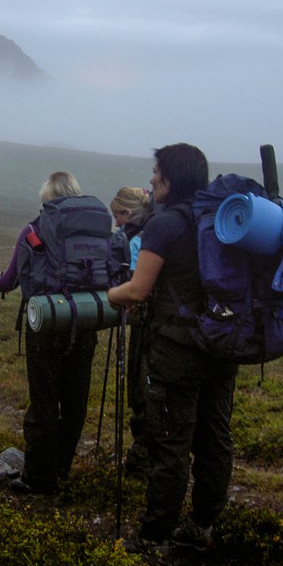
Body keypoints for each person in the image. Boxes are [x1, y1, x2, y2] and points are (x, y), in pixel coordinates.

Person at [108, 144, 238, 551]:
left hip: (176, 351)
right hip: (222, 345)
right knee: (215, 437)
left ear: (171, 178)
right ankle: (201, 527)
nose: (150, 179)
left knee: (169, 441)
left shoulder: (166, 225)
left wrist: (107, 294)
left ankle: (153, 536)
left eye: (155, 171)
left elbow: (138, 290)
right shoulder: (222, 221)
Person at [0, 171, 99, 495]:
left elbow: (9, 281)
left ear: (46, 199)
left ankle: (37, 476)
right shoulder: (93, 231)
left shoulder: (33, 230)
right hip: (86, 322)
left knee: (44, 400)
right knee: (75, 400)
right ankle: (61, 468)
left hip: (46, 324)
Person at [108, 186, 154, 478]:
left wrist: (113, 294)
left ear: (129, 213)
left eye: (118, 216)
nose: (116, 223)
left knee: (142, 392)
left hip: (145, 325)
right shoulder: (156, 229)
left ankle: (142, 463)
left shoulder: (137, 238)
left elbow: (137, 287)